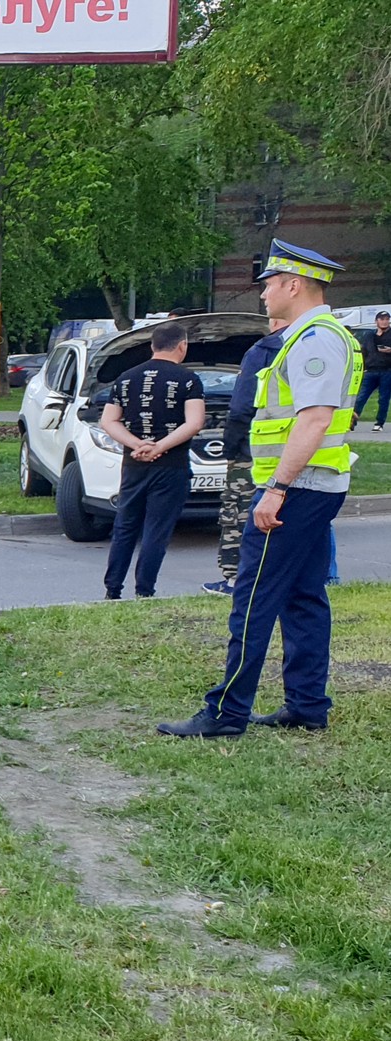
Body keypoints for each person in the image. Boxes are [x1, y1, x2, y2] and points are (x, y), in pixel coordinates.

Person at [160, 240, 360, 738]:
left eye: (269, 285)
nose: (264, 295)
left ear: (294, 285)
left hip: (298, 488)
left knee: (253, 598)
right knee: (303, 595)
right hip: (315, 485)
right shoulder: (315, 335)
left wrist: (275, 489)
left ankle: (227, 713)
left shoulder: (314, 339)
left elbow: (313, 422)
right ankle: (307, 705)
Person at [99, 322, 205, 599]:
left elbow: (108, 420)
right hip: (171, 466)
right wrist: (160, 446)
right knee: (156, 529)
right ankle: (144, 590)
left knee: (125, 525)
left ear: (152, 347)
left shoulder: (126, 378)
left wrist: (137, 444)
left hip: (133, 463)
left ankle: (113, 589)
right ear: (182, 346)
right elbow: (194, 423)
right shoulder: (189, 380)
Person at [204, 317, 288, 596]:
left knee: (238, 513)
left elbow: (241, 407)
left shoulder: (262, 351)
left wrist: (230, 445)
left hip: (253, 450)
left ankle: (234, 581)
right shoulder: (317, 346)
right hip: (297, 451)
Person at [358, 310, 391, 431]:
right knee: (362, 396)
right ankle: (352, 421)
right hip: (371, 370)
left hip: (386, 370)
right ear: (376, 321)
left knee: (383, 398)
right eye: (382, 319)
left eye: (387, 319)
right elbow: (364, 351)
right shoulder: (369, 335)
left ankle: (379, 423)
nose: (384, 321)